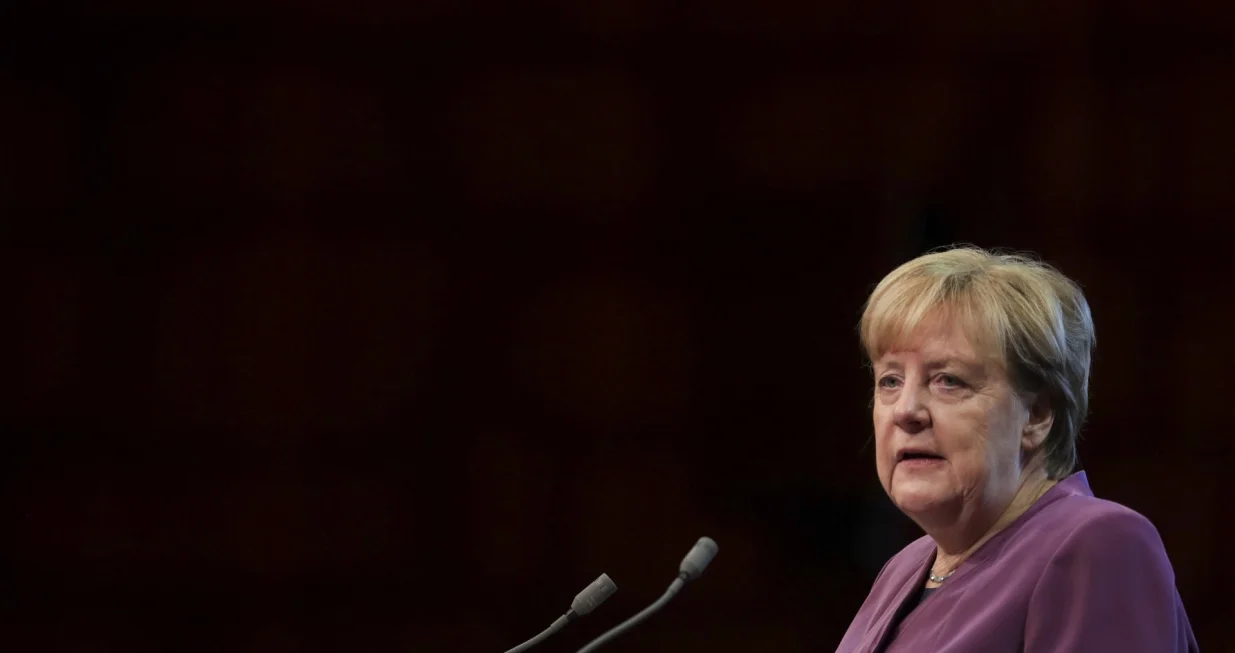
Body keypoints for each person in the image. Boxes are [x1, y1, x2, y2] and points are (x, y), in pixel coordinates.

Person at [835, 246, 1199, 653]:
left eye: (949, 381)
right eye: (890, 381)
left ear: (1038, 415)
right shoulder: (904, 570)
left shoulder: (1098, 546)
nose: (906, 411)